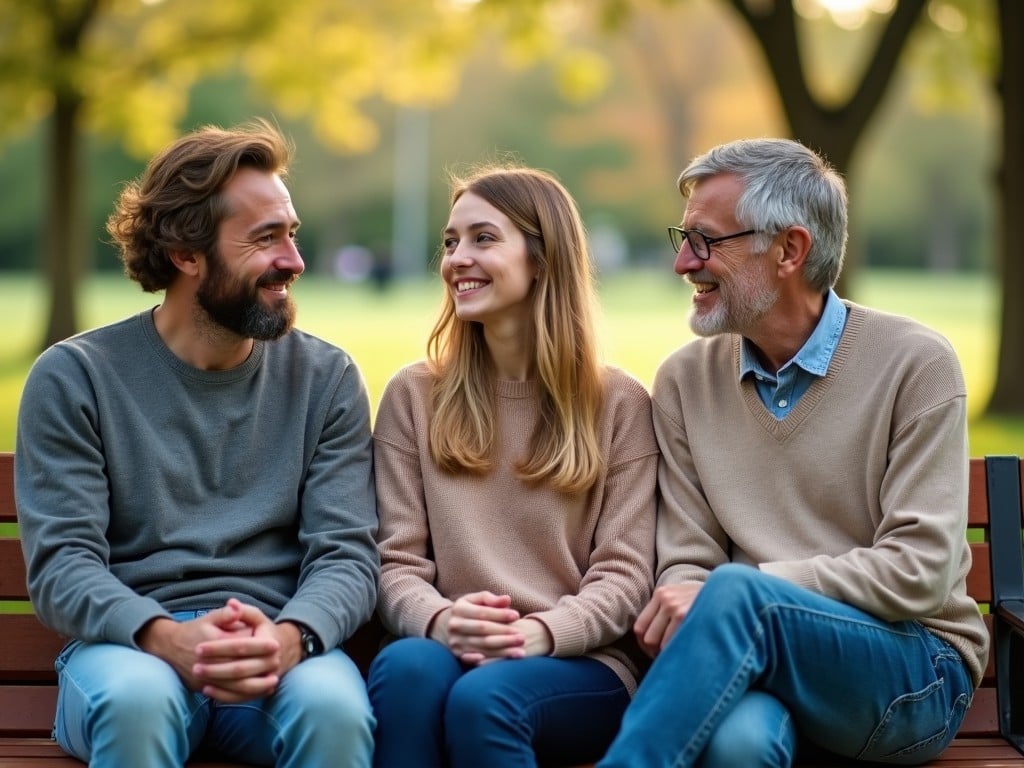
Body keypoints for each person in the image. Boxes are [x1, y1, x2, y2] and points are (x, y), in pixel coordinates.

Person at [597, 138, 989, 768]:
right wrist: (727, 598)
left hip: (914, 668)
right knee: (740, 745)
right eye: (683, 237)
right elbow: (686, 564)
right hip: (755, 656)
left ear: (789, 250)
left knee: (734, 594)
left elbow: (920, 569)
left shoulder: (916, 363)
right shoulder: (683, 382)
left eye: (706, 240)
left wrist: (754, 589)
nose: (682, 264)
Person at [15, 119, 379, 768]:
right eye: (265, 238)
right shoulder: (76, 378)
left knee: (333, 711)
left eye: (290, 235)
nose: (293, 261)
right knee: (137, 703)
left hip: (277, 648)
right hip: (128, 650)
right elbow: (63, 564)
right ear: (186, 254)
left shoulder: (327, 379)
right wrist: (164, 636)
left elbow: (346, 554)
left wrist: (290, 638)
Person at [367, 165, 658, 767]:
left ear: (542, 261)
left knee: (486, 699)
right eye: (450, 242)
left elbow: (626, 577)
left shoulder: (619, 405)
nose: (456, 259)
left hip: (583, 662)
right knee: (404, 669)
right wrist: (442, 620)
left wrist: (540, 633)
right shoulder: (413, 397)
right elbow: (394, 563)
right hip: (448, 642)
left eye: (483, 238)